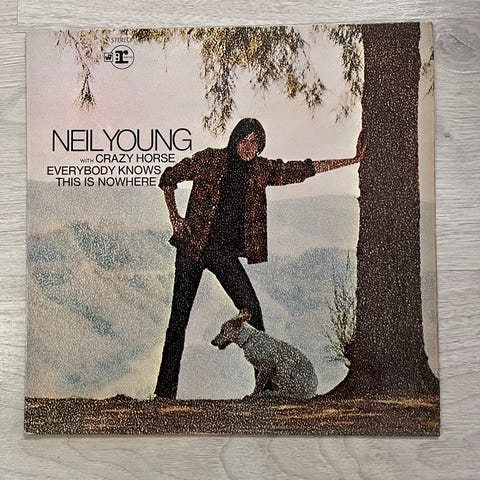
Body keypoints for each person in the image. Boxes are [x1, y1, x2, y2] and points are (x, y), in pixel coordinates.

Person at [155, 118, 365, 398]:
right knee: (178, 320)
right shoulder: (209, 160)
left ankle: (265, 390)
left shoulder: (261, 170)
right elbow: (168, 178)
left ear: (261, 146)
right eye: (244, 140)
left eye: (255, 142)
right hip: (192, 249)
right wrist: (175, 218)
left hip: (224, 256)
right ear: (234, 140)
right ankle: (164, 393)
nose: (248, 147)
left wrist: (351, 160)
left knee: (252, 310)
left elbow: (301, 170)